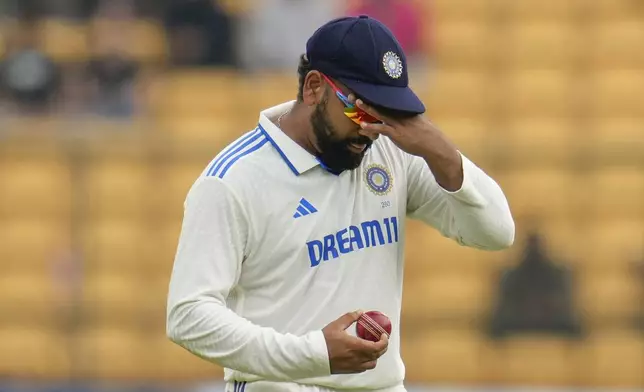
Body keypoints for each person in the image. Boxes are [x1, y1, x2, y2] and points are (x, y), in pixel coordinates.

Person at [166, 15, 515, 392]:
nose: (369, 129)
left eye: (387, 113)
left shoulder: (388, 151)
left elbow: (496, 233)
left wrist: (438, 148)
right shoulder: (233, 180)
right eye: (361, 111)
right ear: (315, 87)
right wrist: (313, 354)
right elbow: (188, 316)